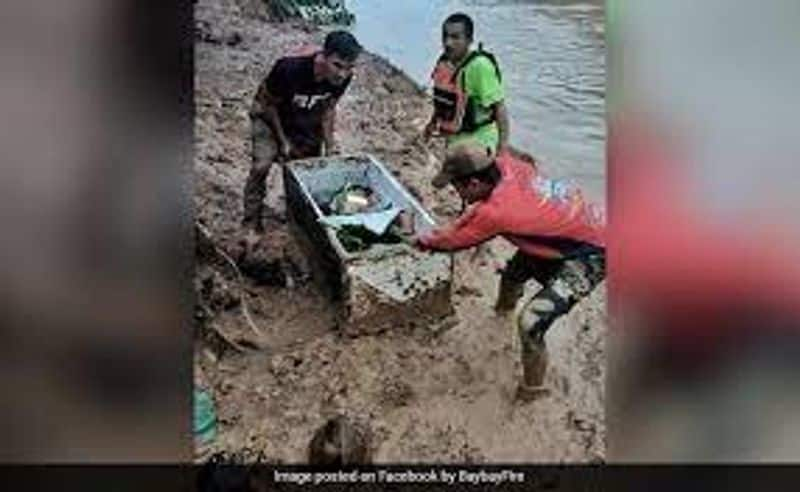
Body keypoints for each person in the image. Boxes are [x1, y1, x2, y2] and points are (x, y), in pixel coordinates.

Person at [414, 143, 605, 401]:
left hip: (594, 252)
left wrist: (416, 239)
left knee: (530, 322)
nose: (456, 192)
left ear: (472, 183)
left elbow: (451, 241)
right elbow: (526, 160)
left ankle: (532, 390)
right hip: (572, 226)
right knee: (512, 274)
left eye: (455, 186)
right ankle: (501, 314)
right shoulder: (508, 163)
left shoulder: (497, 212)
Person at [243, 30, 362, 234]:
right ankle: (251, 222)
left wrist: (330, 145)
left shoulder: (343, 78)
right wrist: (282, 141)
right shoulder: (289, 69)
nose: (342, 74)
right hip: (270, 117)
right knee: (261, 165)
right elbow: (268, 104)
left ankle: (298, 218)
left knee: (307, 174)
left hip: (305, 119)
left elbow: (328, 109)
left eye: (349, 67)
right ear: (323, 56)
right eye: (337, 65)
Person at [424, 13, 510, 155]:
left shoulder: (479, 67)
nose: (448, 43)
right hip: (455, 140)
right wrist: (431, 124)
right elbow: (442, 100)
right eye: (445, 36)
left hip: (481, 142)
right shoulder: (444, 64)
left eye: (455, 37)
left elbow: (500, 109)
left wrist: (502, 149)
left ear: (469, 40)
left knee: (455, 164)